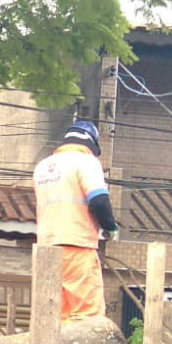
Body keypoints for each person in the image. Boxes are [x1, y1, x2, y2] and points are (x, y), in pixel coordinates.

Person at [32, 119, 118, 320]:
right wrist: (110, 227)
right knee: (86, 315)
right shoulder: (86, 162)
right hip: (77, 245)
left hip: (46, 250)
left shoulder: (42, 167)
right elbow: (99, 200)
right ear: (92, 144)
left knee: (53, 316)